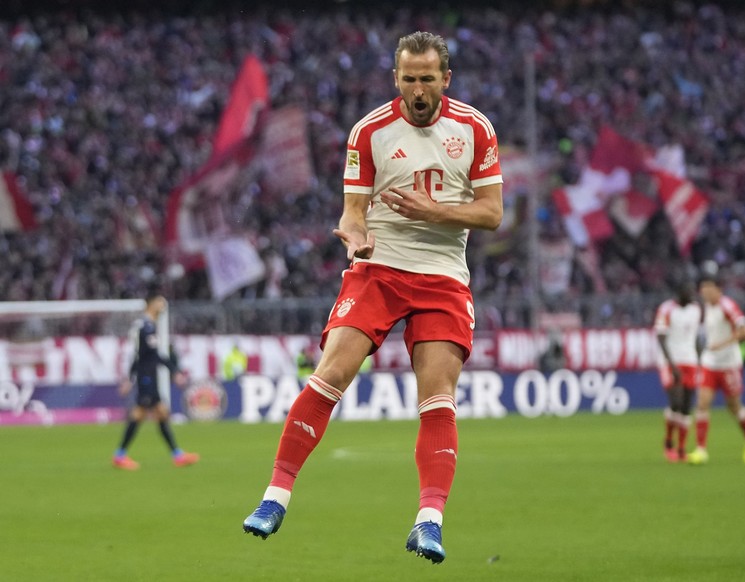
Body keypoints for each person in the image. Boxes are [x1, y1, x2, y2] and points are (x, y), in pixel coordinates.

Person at [241, 31, 503, 565]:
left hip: (442, 276)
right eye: (409, 79)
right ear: (396, 79)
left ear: (445, 79)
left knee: (437, 395)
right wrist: (354, 233)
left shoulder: (474, 129)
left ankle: (428, 521)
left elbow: (491, 213)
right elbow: (352, 210)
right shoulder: (370, 131)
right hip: (378, 269)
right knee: (332, 370)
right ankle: (275, 497)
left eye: (428, 78)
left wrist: (433, 213)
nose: (419, 89)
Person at [113, 292, 200, 470]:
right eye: (160, 301)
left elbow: (147, 356)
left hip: (149, 376)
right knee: (139, 414)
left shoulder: (148, 326)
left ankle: (177, 455)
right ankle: (120, 455)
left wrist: (172, 371)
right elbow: (143, 356)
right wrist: (131, 378)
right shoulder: (145, 327)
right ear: (151, 303)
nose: (163, 305)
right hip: (146, 377)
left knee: (161, 412)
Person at [686, 275, 745, 465]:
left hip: (729, 364)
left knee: (733, 406)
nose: (704, 292)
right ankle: (701, 450)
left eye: (708, 288)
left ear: (718, 289)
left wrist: (722, 344)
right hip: (710, 362)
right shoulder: (707, 307)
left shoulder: (728, 306)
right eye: (702, 288)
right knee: (702, 403)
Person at [653, 282, 701, 463]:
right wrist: (671, 365)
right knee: (676, 402)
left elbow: (695, 337)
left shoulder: (695, 309)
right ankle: (668, 443)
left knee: (687, 406)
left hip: (690, 361)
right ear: (680, 292)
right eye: (689, 290)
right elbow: (661, 337)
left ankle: (681, 449)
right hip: (670, 362)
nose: (692, 294)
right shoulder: (666, 309)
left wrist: (700, 358)